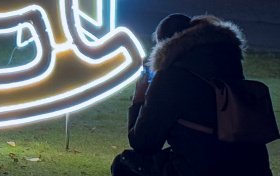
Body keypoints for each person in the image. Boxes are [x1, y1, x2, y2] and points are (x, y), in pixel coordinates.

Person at [112, 14, 272, 176]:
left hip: (205, 167)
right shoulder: (228, 64)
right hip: (255, 166)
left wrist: (139, 99)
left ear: (164, 46)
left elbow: (143, 143)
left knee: (124, 164)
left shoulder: (171, 77)